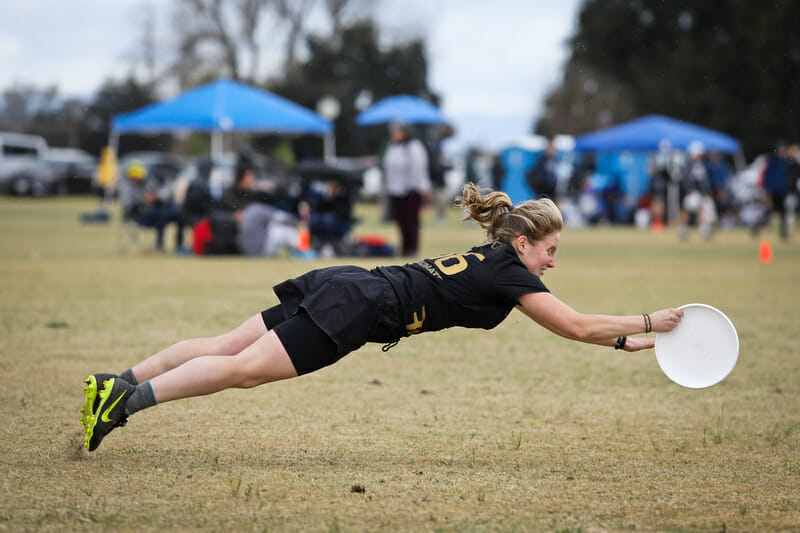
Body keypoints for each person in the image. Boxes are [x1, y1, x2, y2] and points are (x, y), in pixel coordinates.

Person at [79, 183, 684, 452]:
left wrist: (621, 340)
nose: (552, 262)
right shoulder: (512, 274)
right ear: (524, 243)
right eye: (550, 250)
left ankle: (120, 380)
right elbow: (574, 324)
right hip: (361, 306)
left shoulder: (497, 260)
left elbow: (570, 325)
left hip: (349, 282)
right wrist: (650, 322)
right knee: (241, 369)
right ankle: (123, 403)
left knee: (225, 345)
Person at [383, 122, 432, 256]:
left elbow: (418, 168)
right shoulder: (393, 147)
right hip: (395, 190)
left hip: (411, 190)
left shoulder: (414, 147)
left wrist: (414, 187)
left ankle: (413, 248)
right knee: (401, 221)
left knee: (411, 221)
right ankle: (404, 248)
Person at [118, 160, 185, 252]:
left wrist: (156, 196)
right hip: (139, 214)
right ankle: (159, 245)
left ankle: (179, 246)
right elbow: (128, 204)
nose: (139, 179)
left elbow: (161, 194)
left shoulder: (149, 181)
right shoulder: (126, 186)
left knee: (178, 215)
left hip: (156, 210)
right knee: (161, 215)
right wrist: (144, 200)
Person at [754, 141, 792, 240]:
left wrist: (787, 189)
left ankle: (783, 232)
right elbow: (768, 177)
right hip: (772, 191)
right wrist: (767, 191)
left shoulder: (786, 161)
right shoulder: (772, 161)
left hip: (782, 191)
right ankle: (757, 227)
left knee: (783, 212)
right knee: (768, 212)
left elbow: (787, 177)